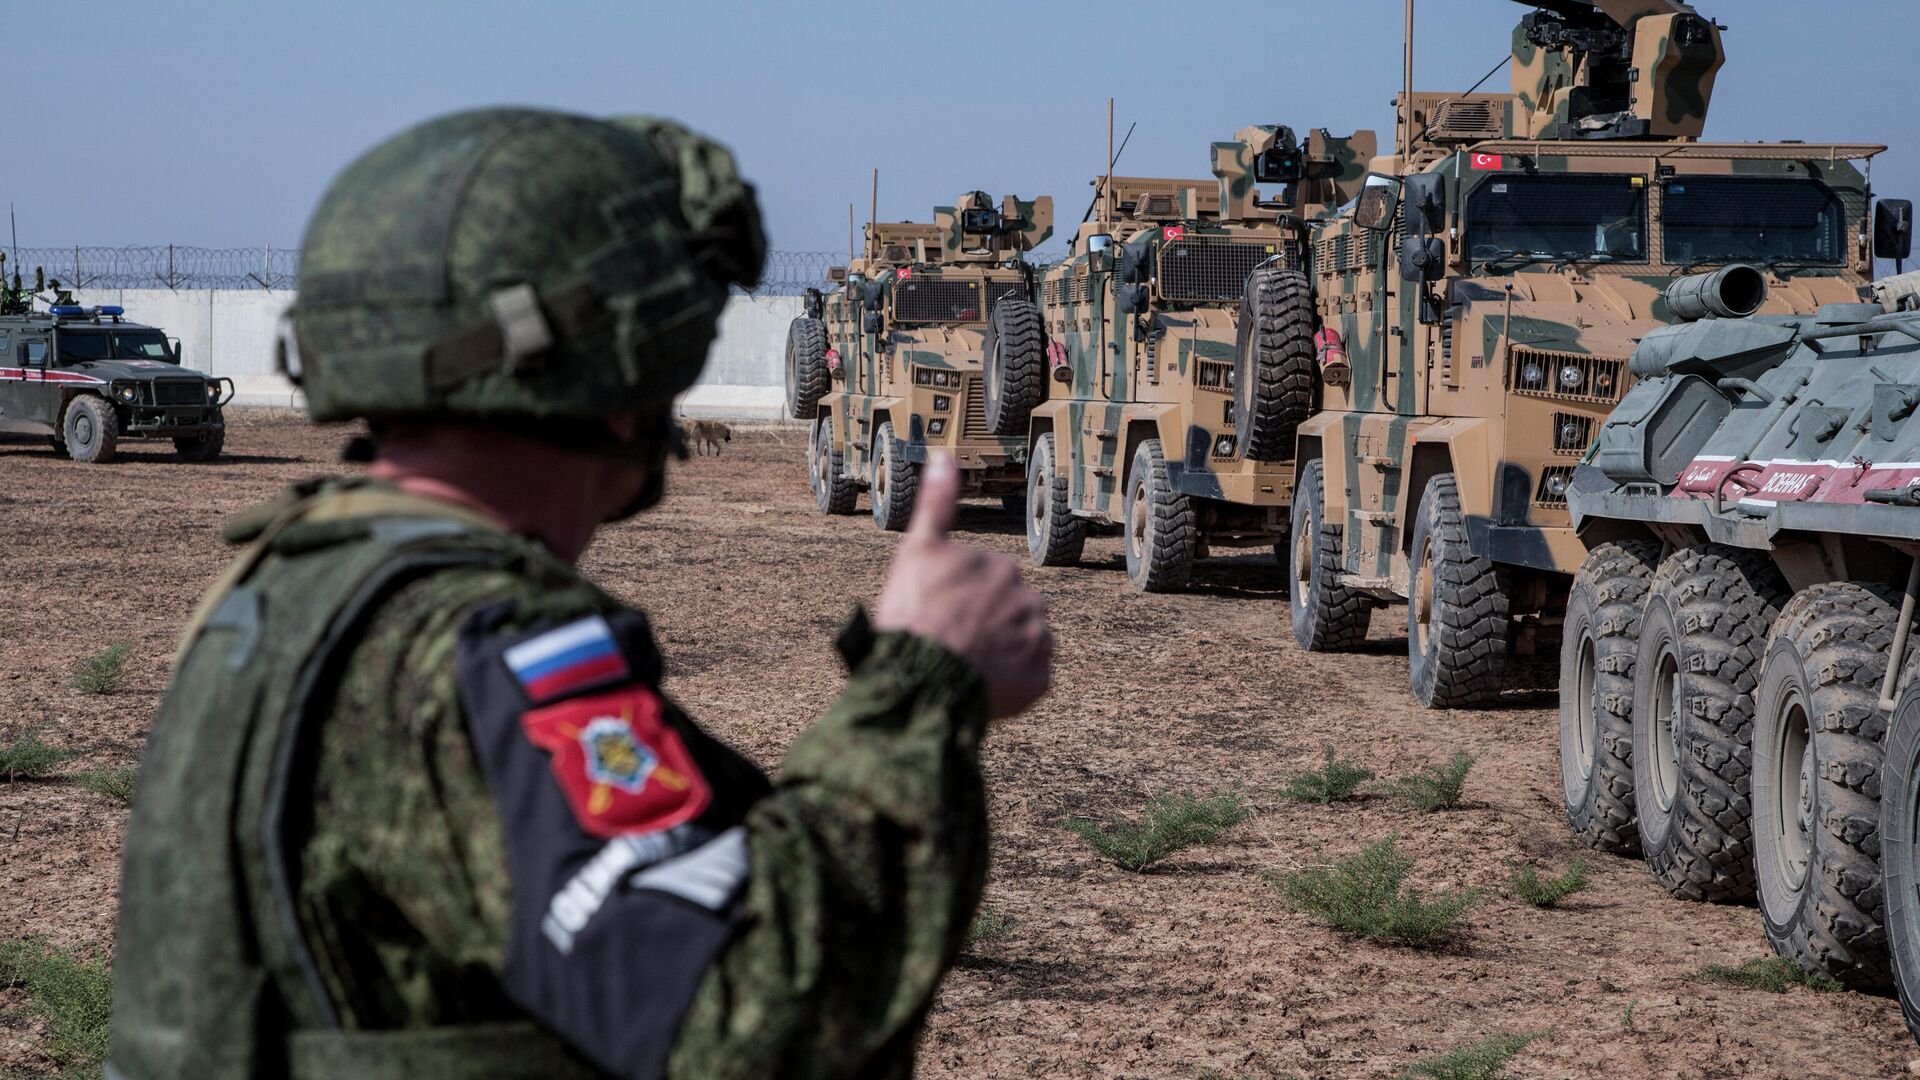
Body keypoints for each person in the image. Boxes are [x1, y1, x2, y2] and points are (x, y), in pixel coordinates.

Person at [108, 107, 1053, 1080]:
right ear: (621, 361)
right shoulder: (483, 649)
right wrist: (921, 686)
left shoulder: (280, 585)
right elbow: (750, 1022)